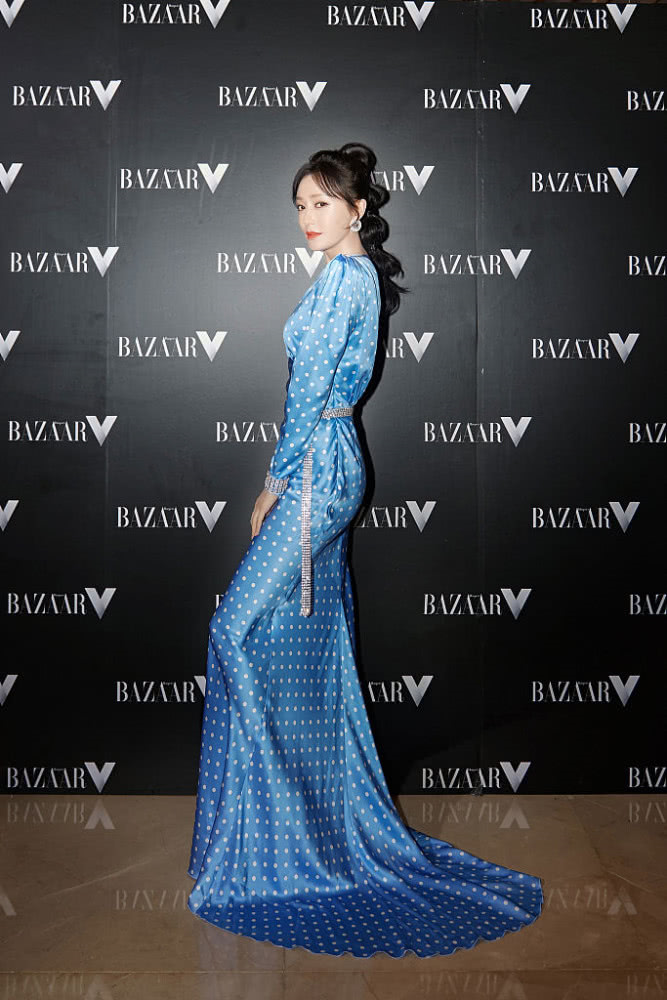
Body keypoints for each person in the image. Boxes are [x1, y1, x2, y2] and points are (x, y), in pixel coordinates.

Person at [187, 142, 544, 957]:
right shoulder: (353, 278)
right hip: (334, 464)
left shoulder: (345, 281)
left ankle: (287, 836)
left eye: (322, 203)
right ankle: (299, 827)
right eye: (300, 205)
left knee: (233, 631)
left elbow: (307, 394)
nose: (307, 218)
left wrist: (273, 483)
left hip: (316, 472)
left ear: (357, 208)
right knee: (295, 643)